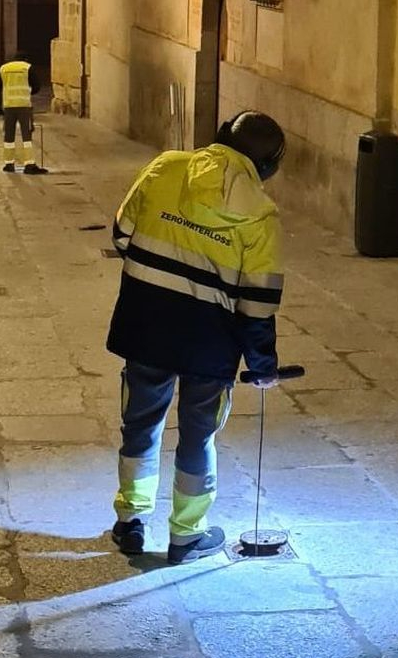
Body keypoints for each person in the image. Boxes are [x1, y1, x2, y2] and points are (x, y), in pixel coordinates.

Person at [106, 111, 287, 565]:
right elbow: (257, 301)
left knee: (141, 423)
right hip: (210, 341)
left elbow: (122, 235)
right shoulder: (261, 215)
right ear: (266, 166)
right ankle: (186, 535)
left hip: (145, 322)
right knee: (198, 435)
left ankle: (130, 521)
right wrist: (262, 364)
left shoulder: (165, 167)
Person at [0, 53, 45, 175]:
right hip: (24, 106)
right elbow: (37, 86)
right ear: (25, 59)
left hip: (9, 106)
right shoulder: (27, 67)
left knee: (8, 135)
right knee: (26, 135)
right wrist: (28, 92)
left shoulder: (4, 68)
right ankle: (29, 164)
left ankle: (9, 164)